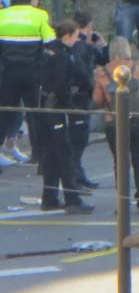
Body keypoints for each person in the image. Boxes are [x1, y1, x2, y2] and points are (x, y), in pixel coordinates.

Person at [93, 36, 139, 215]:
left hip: (114, 123)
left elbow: (97, 100)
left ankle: (122, 204)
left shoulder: (102, 72)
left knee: (120, 163)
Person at [39, 19, 95, 213]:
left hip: (44, 108)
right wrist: (68, 105)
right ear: (67, 36)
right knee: (65, 154)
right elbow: (61, 84)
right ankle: (72, 199)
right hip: (57, 110)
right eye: (75, 36)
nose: (77, 39)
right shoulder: (62, 56)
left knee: (52, 154)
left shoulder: (48, 49)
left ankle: (49, 198)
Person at [0, 0, 55, 168]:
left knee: (4, 112)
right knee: (35, 113)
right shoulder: (40, 15)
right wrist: (41, 63)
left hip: (9, 72)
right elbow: (51, 44)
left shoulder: (2, 16)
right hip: (33, 72)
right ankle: (40, 155)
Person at [69, 10, 109, 190]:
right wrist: (102, 44)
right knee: (79, 139)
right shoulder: (85, 46)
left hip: (71, 97)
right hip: (81, 97)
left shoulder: (69, 45)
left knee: (76, 139)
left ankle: (78, 174)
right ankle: (75, 177)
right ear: (87, 27)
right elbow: (104, 59)